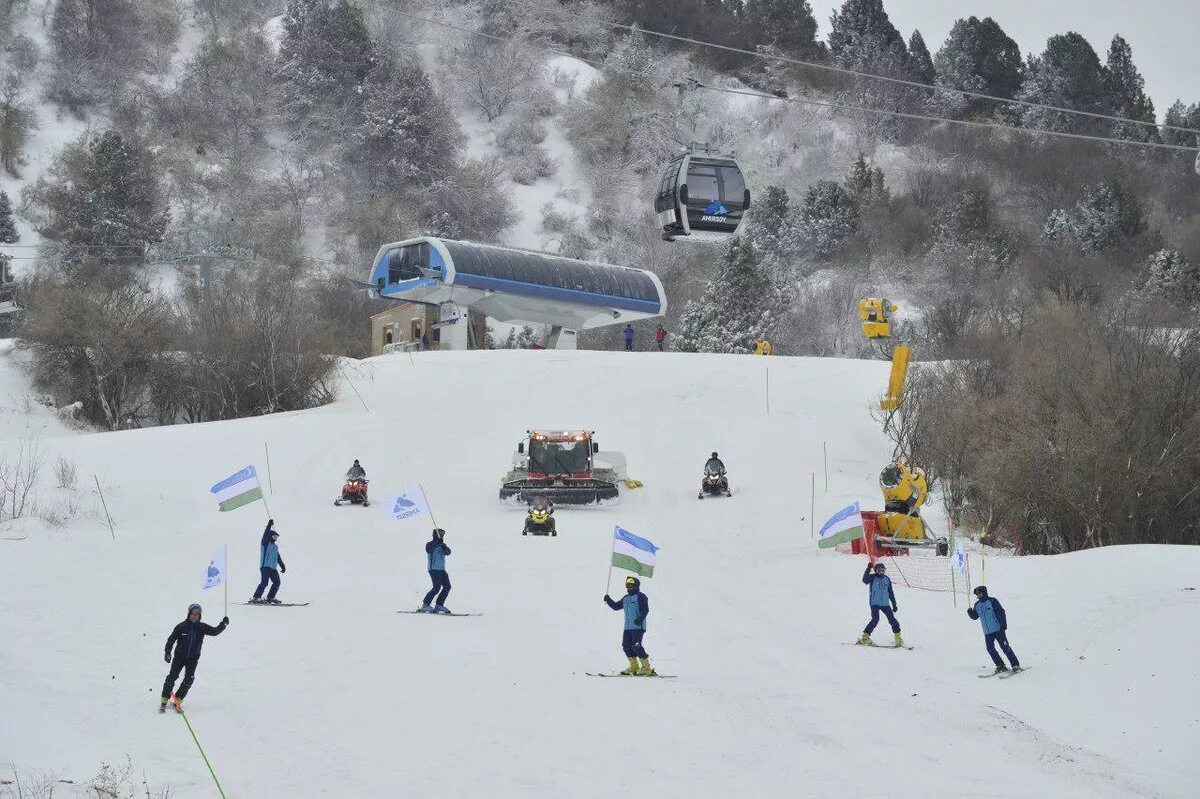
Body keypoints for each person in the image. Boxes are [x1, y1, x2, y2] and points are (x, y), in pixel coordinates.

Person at [160, 603, 228, 712]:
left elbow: (215, 631)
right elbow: (171, 639)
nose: (196, 616)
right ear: (189, 614)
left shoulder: (202, 627)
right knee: (172, 677)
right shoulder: (181, 626)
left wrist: (223, 624)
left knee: (189, 678)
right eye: (194, 613)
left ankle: (178, 699)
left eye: (198, 614)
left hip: (192, 659)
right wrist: (167, 652)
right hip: (179, 657)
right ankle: (164, 699)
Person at [604, 576, 655, 675]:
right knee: (626, 646)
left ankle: (646, 667)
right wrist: (608, 600)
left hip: (638, 627)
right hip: (627, 628)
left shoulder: (641, 596)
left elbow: (645, 609)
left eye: (631, 585)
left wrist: (640, 619)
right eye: (627, 585)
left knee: (636, 646)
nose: (629, 587)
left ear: (636, 585)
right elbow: (616, 606)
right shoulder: (626, 598)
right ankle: (634, 666)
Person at [968, 586, 1021, 675]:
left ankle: (1015, 665)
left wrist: (1003, 624)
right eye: (977, 594)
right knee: (990, 649)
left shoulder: (992, 601)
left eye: (980, 593)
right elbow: (975, 616)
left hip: (998, 629)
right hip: (987, 632)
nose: (978, 595)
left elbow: (1001, 612)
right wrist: (970, 612)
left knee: (1005, 647)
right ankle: (1000, 665)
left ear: (984, 592)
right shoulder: (977, 605)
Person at [858, 561, 902, 647]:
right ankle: (864, 638)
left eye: (883, 570)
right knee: (875, 619)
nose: (881, 572)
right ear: (876, 571)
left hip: (885, 604)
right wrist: (868, 569)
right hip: (875, 603)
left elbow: (890, 592)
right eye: (879, 571)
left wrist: (894, 604)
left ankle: (898, 638)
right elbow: (864, 580)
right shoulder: (872, 577)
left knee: (892, 620)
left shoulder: (887, 579)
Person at [250, 520, 286, 604]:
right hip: (265, 567)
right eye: (274, 537)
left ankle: (270, 597)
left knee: (277, 582)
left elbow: (278, 557)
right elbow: (265, 535)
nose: (275, 539)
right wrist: (269, 526)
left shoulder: (275, 547)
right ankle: (256, 597)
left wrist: (282, 565)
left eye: (276, 537)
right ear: (270, 536)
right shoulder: (265, 544)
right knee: (264, 583)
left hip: (273, 568)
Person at [420, 528, 452, 613]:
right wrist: (437, 543)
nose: (441, 536)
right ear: (435, 535)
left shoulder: (442, 544)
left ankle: (439, 605)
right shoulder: (430, 544)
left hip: (441, 569)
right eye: (440, 534)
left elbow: (448, 552)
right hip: (433, 569)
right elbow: (428, 550)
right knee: (436, 587)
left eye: (442, 534)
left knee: (447, 586)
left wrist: (444, 547)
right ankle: (425, 605)